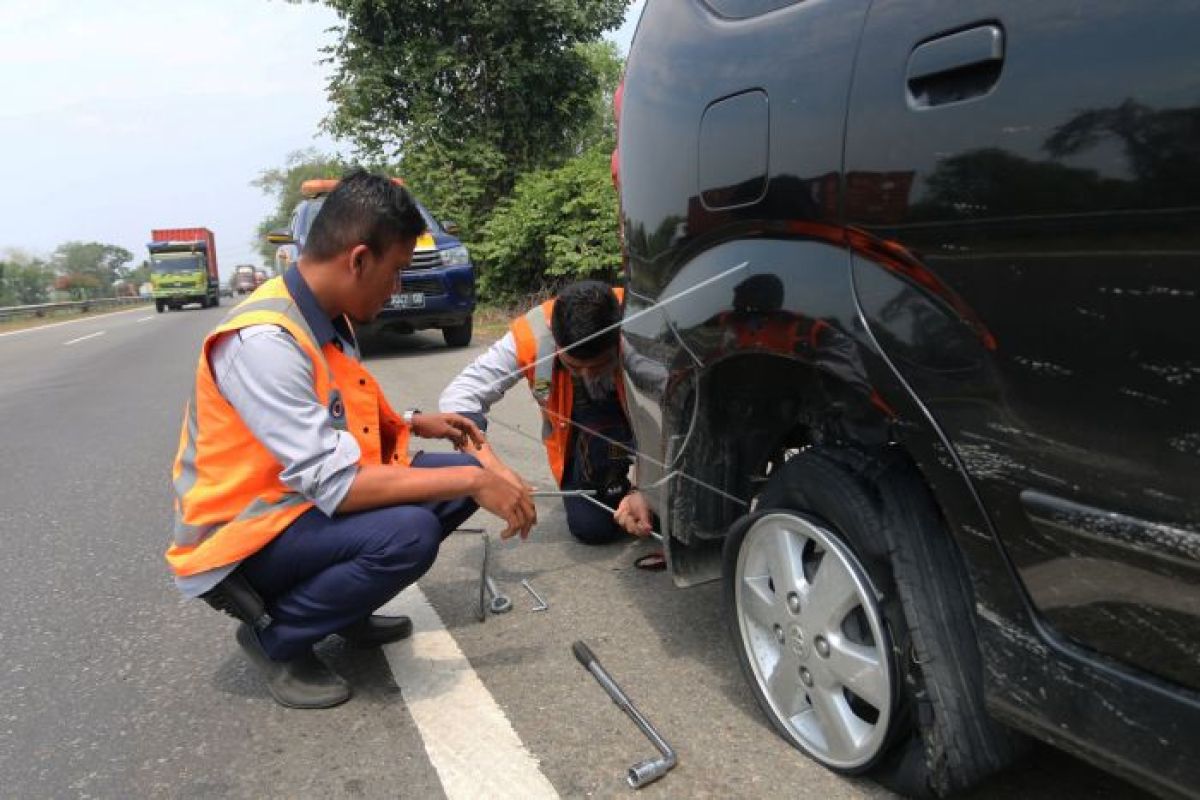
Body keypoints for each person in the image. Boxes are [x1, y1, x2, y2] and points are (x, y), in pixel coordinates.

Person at [165, 170, 536, 709]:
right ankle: (275, 637)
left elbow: (334, 416)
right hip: (243, 539)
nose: (399, 287)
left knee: (446, 486)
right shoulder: (263, 342)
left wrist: (410, 421)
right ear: (359, 259)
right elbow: (337, 483)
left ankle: (343, 609)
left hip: (295, 506)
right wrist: (480, 477)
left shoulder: (326, 317)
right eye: (397, 271)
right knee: (410, 531)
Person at [439, 279, 655, 546]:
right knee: (592, 529)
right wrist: (493, 470)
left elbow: (679, 419)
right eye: (575, 367)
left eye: (599, 366)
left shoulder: (647, 323)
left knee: (676, 516)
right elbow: (457, 397)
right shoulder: (532, 334)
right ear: (556, 341)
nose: (588, 375)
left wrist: (647, 489)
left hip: (650, 421)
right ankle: (615, 488)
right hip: (589, 427)